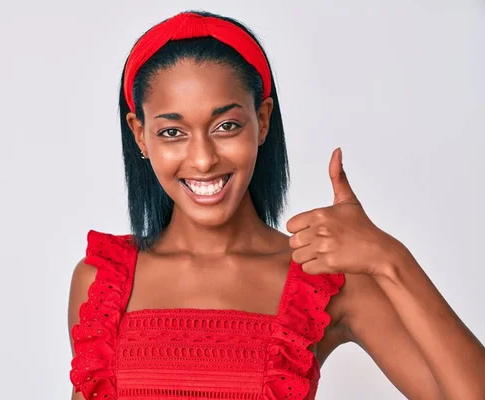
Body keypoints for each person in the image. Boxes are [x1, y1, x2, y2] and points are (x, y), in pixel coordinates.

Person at [67, 10, 485, 400]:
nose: (202, 158)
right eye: (172, 132)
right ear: (140, 135)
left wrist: (391, 260)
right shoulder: (101, 283)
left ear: (262, 121)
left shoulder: (322, 281)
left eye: (226, 126)